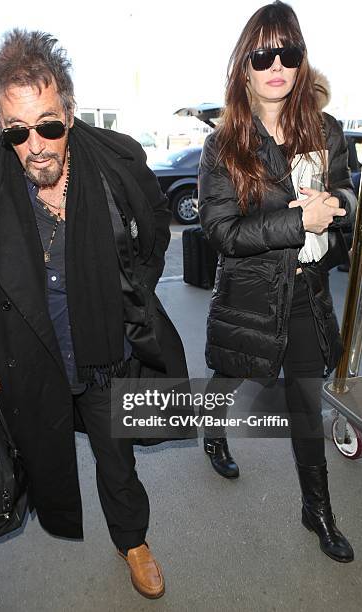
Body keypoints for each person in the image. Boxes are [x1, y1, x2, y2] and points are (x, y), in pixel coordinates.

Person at [0, 29, 188, 599]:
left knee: (116, 457)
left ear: (70, 113)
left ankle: (133, 541)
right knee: (42, 454)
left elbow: (153, 230)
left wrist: (132, 293)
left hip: (102, 347)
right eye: (18, 131)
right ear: (2, 125)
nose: (36, 145)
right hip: (30, 355)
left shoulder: (115, 164)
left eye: (49, 124)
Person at [199, 1, 356, 562]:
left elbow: (351, 195)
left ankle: (317, 510)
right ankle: (212, 430)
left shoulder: (328, 130)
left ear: (300, 62)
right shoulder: (225, 144)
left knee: (306, 405)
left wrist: (337, 202)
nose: (276, 65)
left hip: (308, 292)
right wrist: (298, 221)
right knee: (229, 374)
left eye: (287, 53)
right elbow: (218, 230)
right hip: (252, 292)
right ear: (244, 67)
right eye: (262, 54)